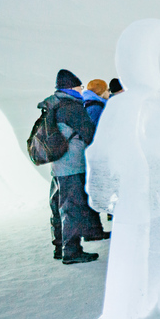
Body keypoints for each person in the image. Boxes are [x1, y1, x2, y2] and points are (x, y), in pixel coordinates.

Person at [43, 69, 103, 264]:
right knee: (72, 208)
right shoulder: (72, 106)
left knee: (59, 207)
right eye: (80, 86)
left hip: (58, 164)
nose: (81, 90)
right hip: (72, 165)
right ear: (72, 87)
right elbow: (89, 132)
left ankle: (60, 247)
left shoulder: (54, 103)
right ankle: (72, 251)